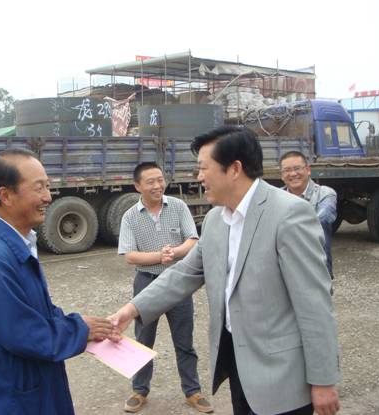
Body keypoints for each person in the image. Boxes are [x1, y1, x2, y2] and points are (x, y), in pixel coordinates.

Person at [110, 126, 341, 415]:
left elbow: (314, 303)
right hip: (237, 365)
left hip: (283, 376)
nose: (199, 177)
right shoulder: (215, 220)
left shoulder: (289, 214)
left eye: (203, 168)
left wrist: (323, 380)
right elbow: (183, 274)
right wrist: (130, 310)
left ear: (234, 169)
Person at [0, 149, 116, 414]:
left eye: (48, 186)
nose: (48, 196)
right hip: (9, 398)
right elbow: (23, 334)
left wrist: (79, 324)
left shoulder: (17, 243)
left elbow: (34, 309)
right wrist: (79, 330)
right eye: (38, 188)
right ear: (6, 195)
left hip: (28, 385)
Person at [118, 162, 213, 413]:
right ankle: (140, 390)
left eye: (160, 180)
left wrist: (176, 252)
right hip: (146, 282)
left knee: (184, 340)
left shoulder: (178, 206)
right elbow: (129, 256)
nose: (157, 185)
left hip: (179, 282)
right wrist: (159, 256)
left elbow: (192, 239)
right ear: (137, 186)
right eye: (150, 181)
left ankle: (192, 391)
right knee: (143, 339)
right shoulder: (130, 216)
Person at [279, 151, 337, 277]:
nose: (293, 174)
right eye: (287, 170)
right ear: (282, 175)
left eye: (297, 168)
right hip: (284, 268)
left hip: (316, 267)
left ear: (308, 170)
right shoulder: (275, 198)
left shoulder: (325, 194)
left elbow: (322, 220)